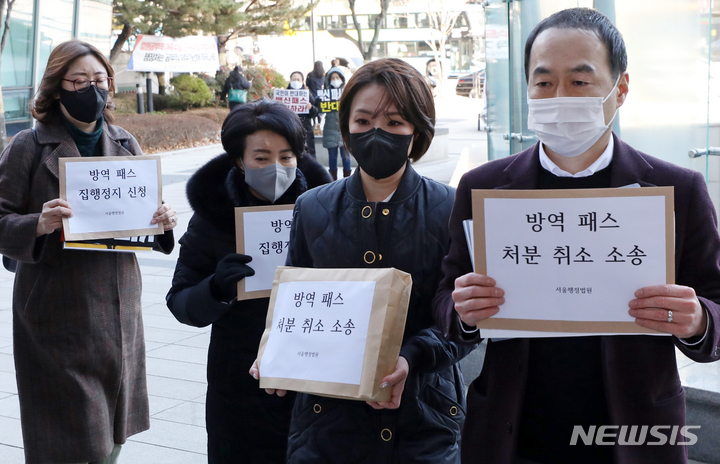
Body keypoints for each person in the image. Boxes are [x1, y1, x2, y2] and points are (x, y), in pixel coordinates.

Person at [433, 8, 720, 464]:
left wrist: (698, 320)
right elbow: (447, 301)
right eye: (543, 82)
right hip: (514, 434)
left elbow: (715, 304)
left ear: (620, 88)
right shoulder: (483, 188)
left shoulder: (676, 189)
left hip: (633, 435)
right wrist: (465, 311)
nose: (558, 96)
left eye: (579, 81)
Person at [251, 58, 470, 464]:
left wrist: (412, 357)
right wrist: (276, 350)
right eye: (364, 120)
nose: (377, 133)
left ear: (417, 130)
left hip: (422, 418)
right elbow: (294, 303)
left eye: (394, 122)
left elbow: (463, 322)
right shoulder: (312, 206)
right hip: (327, 424)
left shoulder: (450, 207)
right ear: (346, 128)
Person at [0, 40, 178, 464]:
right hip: (55, 318)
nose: (91, 89)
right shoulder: (28, 145)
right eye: (79, 80)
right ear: (57, 87)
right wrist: (38, 224)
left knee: (113, 432)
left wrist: (162, 221)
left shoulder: (124, 142)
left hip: (118, 312)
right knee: (68, 439)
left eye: (99, 80)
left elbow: (143, 221)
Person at [166, 101, 331, 464]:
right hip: (239, 383)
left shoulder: (325, 209)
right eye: (261, 157)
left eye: (287, 157)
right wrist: (216, 288)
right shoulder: (214, 216)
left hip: (314, 375)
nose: (276, 168)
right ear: (239, 160)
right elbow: (180, 301)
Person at [322, 66, 351, 180]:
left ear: (342, 79)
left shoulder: (347, 93)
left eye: (337, 77)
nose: (335, 80)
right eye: (332, 78)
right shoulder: (325, 94)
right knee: (332, 158)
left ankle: (347, 180)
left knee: (346, 157)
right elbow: (318, 109)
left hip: (344, 129)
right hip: (330, 129)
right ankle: (332, 180)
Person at [288, 71, 320, 158]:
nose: (295, 81)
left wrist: (311, 108)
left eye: (298, 79)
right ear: (290, 81)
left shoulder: (308, 95)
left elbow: (316, 112)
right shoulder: (284, 95)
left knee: (309, 153)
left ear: (302, 81)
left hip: (306, 129)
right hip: (289, 129)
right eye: (293, 79)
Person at [306, 61, 325, 131]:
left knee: (313, 110)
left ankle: (314, 124)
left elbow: (307, 84)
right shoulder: (323, 76)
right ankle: (319, 125)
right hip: (320, 95)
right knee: (319, 110)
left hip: (312, 94)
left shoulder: (310, 75)